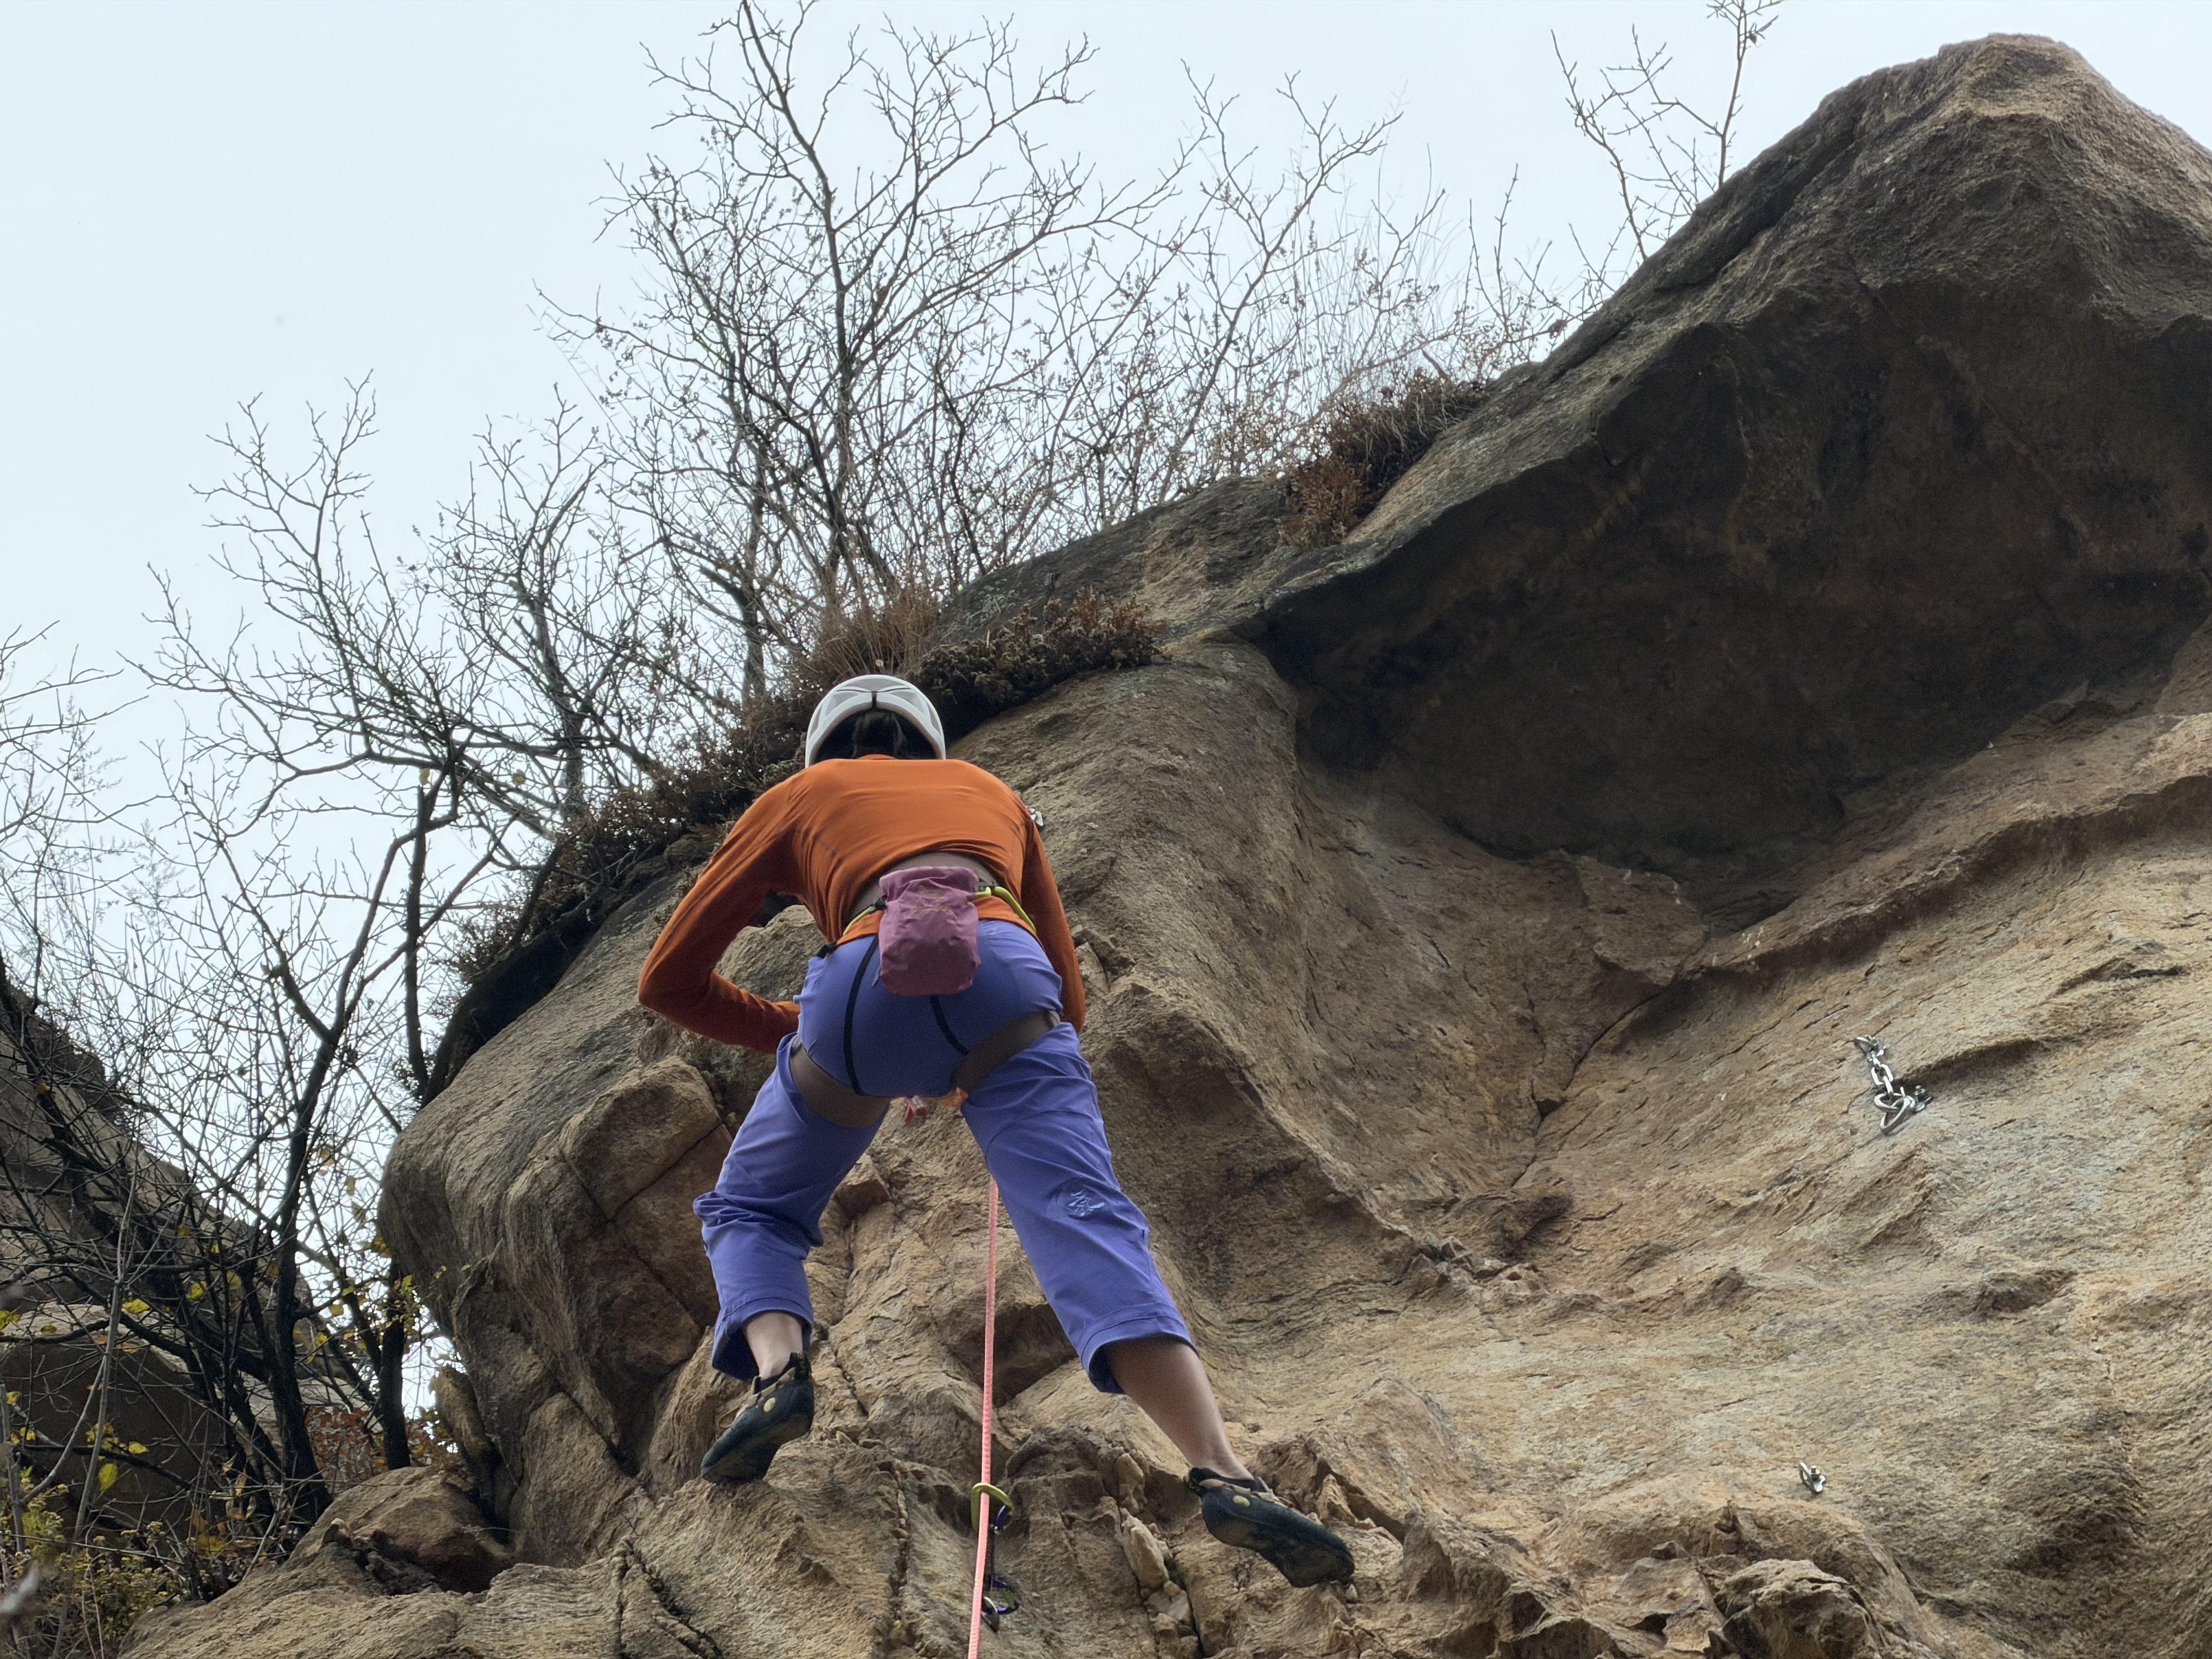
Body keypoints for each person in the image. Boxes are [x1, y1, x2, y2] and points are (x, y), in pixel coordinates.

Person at [637, 674, 1353, 1588]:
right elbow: (1070, 991)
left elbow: (668, 981)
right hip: (1008, 979)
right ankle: (1226, 1469)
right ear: (926, 741)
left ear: (825, 746)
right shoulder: (993, 795)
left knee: (750, 1208)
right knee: (1084, 1220)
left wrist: (806, 1030)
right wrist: (980, 1064)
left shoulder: (801, 796)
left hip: (854, 989)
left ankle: (779, 1373)